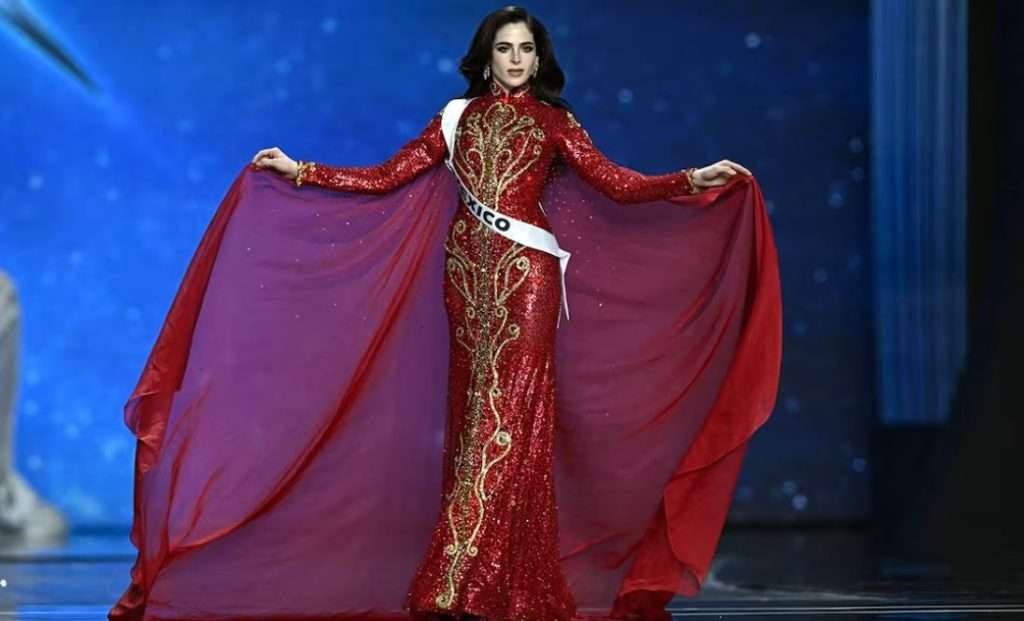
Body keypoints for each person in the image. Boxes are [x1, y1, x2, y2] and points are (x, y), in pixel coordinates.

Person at [110, 6, 781, 621]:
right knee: (475, 421)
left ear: (538, 61)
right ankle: (500, 582)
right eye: (504, 48)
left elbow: (616, 183)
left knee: (505, 416)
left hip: (527, 280)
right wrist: (302, 169)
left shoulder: (555, 123)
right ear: (486, 58)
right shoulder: (456, 117)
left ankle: (454, 574)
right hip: (464, 279)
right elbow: (388, 174)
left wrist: (687, 181)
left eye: (525, 50)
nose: (515, 59)